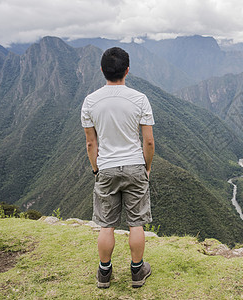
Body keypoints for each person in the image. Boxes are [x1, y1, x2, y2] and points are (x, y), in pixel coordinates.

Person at [81, 47, 155, 289]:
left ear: (102, 70)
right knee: (136, 223)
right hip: (135, 166)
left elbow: (91, 142)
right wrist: (147, 167)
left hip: (106, 168)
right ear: (127, 70)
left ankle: (104, 273)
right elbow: (149, 141)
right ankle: (137, 271)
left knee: (107, 224)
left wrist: (96, 169)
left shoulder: (90, 101)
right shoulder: (139, 99)